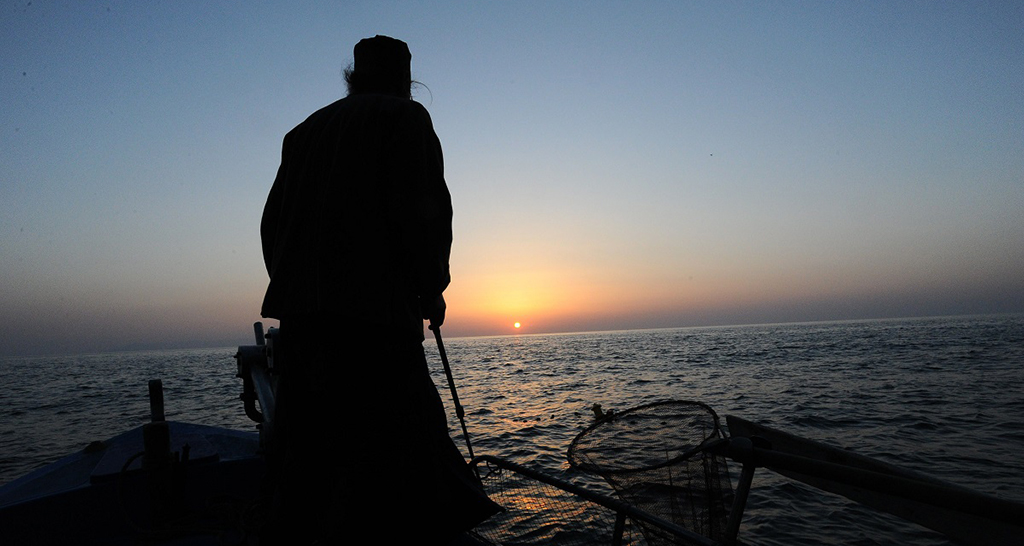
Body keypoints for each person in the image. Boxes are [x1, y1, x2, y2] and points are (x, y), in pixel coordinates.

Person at [259, 35, 499, 544]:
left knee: (310, 466)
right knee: (409, 457)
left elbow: (271, 227)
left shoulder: (301, 133)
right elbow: (425, 215)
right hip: (375, 326)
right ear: (405, 81)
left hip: (302, 326)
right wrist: (432, 288)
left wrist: (296, 289)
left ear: (353, 76)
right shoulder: (405, 118)